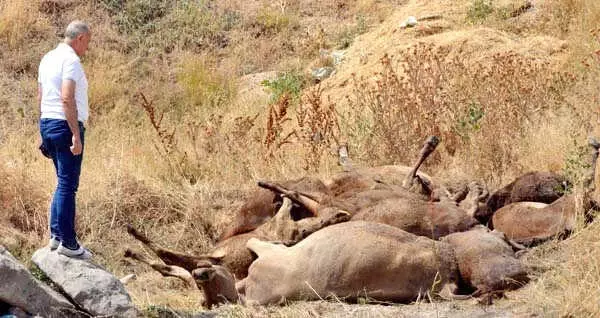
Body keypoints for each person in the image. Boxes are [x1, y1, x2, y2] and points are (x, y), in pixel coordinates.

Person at [38, 21, 92, 259]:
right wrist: (75, 134)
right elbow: (67, 97)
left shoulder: (47, 58)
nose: (87, 48)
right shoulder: (71, 61)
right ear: (79, 38)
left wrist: (43, 132)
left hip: (47, 122)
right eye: (87, 42)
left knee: (62, 182)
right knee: (69, 185)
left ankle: (56, 236)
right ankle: (68, 243)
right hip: (64, 125)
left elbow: (40, 96)